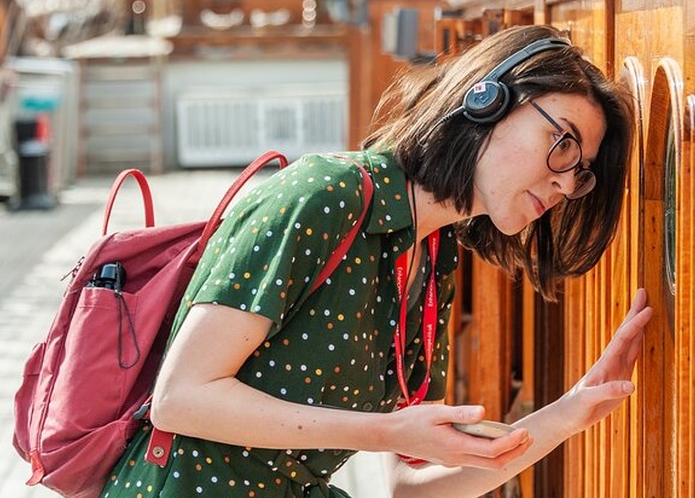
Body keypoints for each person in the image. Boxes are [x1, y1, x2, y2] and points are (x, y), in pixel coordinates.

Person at [101, 24, 652, 498]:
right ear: (487, 100)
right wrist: (384, 432)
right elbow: (180, 399)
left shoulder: (435, 260)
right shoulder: (323, 195)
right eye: (562, 143)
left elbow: (405, 487)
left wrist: (568, 415)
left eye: (581, 172)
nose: (564, 181)